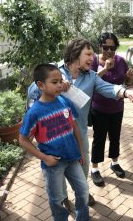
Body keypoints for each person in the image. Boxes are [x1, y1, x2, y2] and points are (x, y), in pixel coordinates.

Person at [27, 39, 133, 206]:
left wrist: (126, 93)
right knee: (56, 169)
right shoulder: (54, 71)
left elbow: (108, 87)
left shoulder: (91, 77)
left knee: (82, 165)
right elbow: (33, 90)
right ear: (76, 54)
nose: (93, 58)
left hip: (79, 131)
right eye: (88, 54)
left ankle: (82, 193)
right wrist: (58, 82)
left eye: (92, 54)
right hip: (53, 137)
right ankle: (63, 198)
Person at [19, 64, 89, 221]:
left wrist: (81, 151)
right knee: (56, 200)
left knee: (83, 191)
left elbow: (75, 126)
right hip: (53, 164)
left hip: (72, 159)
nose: (60, 85)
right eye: (55, 82)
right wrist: (44, 158)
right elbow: (23, 140)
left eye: (60, 81)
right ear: (41, 85)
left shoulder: (65, 102)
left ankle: (83, 218)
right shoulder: (34, 112)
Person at [90, 32, 133, 187]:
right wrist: (105, 69)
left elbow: (126, 83)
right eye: (105, 47)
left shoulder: (121, 61)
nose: (109, 51)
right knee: (99, 138)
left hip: (117, 107)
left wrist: (129, 77)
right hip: (99, 108)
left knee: (115, 136)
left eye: (112, 47)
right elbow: (90, 80)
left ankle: (114, 163)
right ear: (100, 46)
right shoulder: (94, 61)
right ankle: (94, 169)